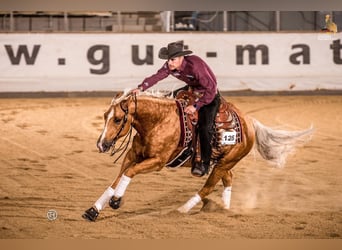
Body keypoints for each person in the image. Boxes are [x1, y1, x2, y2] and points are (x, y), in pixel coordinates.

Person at [132, 40, 220, 177]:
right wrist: (141, 87)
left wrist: (196, 106)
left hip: (209, 95)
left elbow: (211, 89)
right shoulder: (170, 65)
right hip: (191, 90)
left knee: (205, 127)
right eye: (168, 60)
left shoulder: (195, 66)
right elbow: (158, 76)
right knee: (167, 100)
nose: (169, 63)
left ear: (181, 58)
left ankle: (205, 163)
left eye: (172, 59)